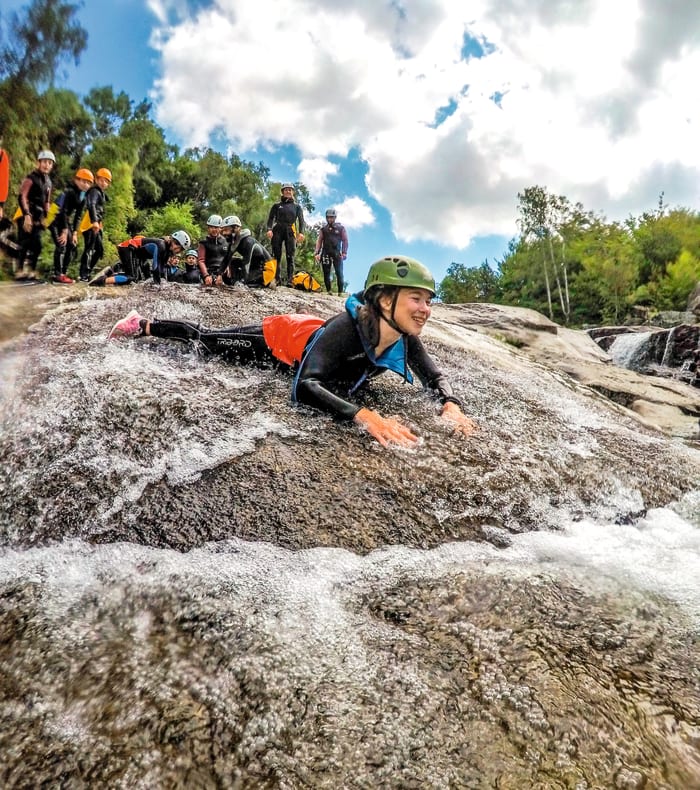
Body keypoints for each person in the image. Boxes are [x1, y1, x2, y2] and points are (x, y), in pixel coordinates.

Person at [108, 255, 478, 447]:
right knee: (206, 342)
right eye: (416, 299)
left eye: (428, 301)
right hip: (279, 340)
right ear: (384, 300)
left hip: (309, 332)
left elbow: (434, 377)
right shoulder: (346, 329)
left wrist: (451, 404)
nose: (425, 310)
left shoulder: (404, 337)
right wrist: (364, 416)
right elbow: (304, 386)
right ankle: (144, 325)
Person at [14, 150, 55, 280]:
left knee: (37, 245)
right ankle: (19, 271)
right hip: (25, 213)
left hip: (38, 216)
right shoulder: (31, 178)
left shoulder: (48, 182)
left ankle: (31, 271)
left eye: (50, 163)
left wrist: (47, 217)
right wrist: (27, 215)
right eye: (44, 162)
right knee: (24, 242)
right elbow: (22, 196)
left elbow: (47, 202)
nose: (47, 165)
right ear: (39, 163)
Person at [48, 167, 94, 283]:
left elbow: (78, 216)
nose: (86, 185)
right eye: (84, 181)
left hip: (63, 220)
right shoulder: (69, 192)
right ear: (76, 180)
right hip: (54, 219)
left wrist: (74, 233)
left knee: (72, 245)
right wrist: (64, 231)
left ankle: (63, 273)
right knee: (61, 244)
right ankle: (58, 274)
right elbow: (62, 211)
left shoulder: (83, 196)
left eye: (89, 183)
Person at [266, 183, 305, 286]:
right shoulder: (276, 206)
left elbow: (301, 221)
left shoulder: (297, 207)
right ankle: (276, 279)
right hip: (278, 229)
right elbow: (270, 219)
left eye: (290, 190)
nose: (288, 191)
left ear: (293, 192)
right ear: (282, 192)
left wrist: (301, 232)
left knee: (290, 256)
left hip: (290, 230)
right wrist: (269, 229)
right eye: (286, 190)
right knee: (276, 255)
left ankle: (290, 280)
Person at [115, 231, 192, 284]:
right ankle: (107, 280)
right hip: (128, 248)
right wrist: (157, 286)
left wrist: (164, 283)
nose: (179, 252)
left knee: (139, 279)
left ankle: (113, 272)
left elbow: (162, 271)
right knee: (131, 277)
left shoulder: (167, 252)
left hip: (137, 254)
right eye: (180, 249)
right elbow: (155, 268)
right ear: (175, 243)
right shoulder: (161, 245)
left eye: (182, 250)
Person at [222, 215, 277, 288]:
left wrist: (242, 281)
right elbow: (226, 259)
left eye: (226, 230)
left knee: (240, 281)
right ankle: (239, 282)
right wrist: (219, 275)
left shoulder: (248, 242)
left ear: (235, 229)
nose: (224, 233)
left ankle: (266, 283)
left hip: (267, 269)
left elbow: (246, 263)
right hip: (254, 266)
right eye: (223, 230)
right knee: (232, 266)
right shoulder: (234, 241)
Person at [79, 167, 111, 281]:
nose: (103, 183)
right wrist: (94, 222)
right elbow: (91, 205)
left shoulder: (101, 193)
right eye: (101, 180)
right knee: (89, 248)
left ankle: (88, 272)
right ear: (96, 180)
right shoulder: (94, 191)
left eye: (106, 181)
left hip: (97, 223)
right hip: (90, 223)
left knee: (99, 250)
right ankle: (83, 275)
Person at [314, 208, 348, 295]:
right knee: (326, 272)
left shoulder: (341, 228)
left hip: (337, 253)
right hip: (325, 253)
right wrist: (317, 253)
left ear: (335, 217)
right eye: (328, 217)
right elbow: (319, 241)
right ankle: (329, 291)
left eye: (332, 217)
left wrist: (344, 252)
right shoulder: (323, 229)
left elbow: (345, 240)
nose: (330, 219)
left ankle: (340, 292)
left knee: (339, 273)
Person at [197, 214, 228, 286]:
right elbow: (201, 260)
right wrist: (206, 275)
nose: (214, 229)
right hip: (209, 272)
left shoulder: (226, 241)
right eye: (211, 227)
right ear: (208, 228)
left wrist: (228, 267)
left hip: (223, 272)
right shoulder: (203, 242)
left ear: (220, 228)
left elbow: (228, 258)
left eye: (216, 227)